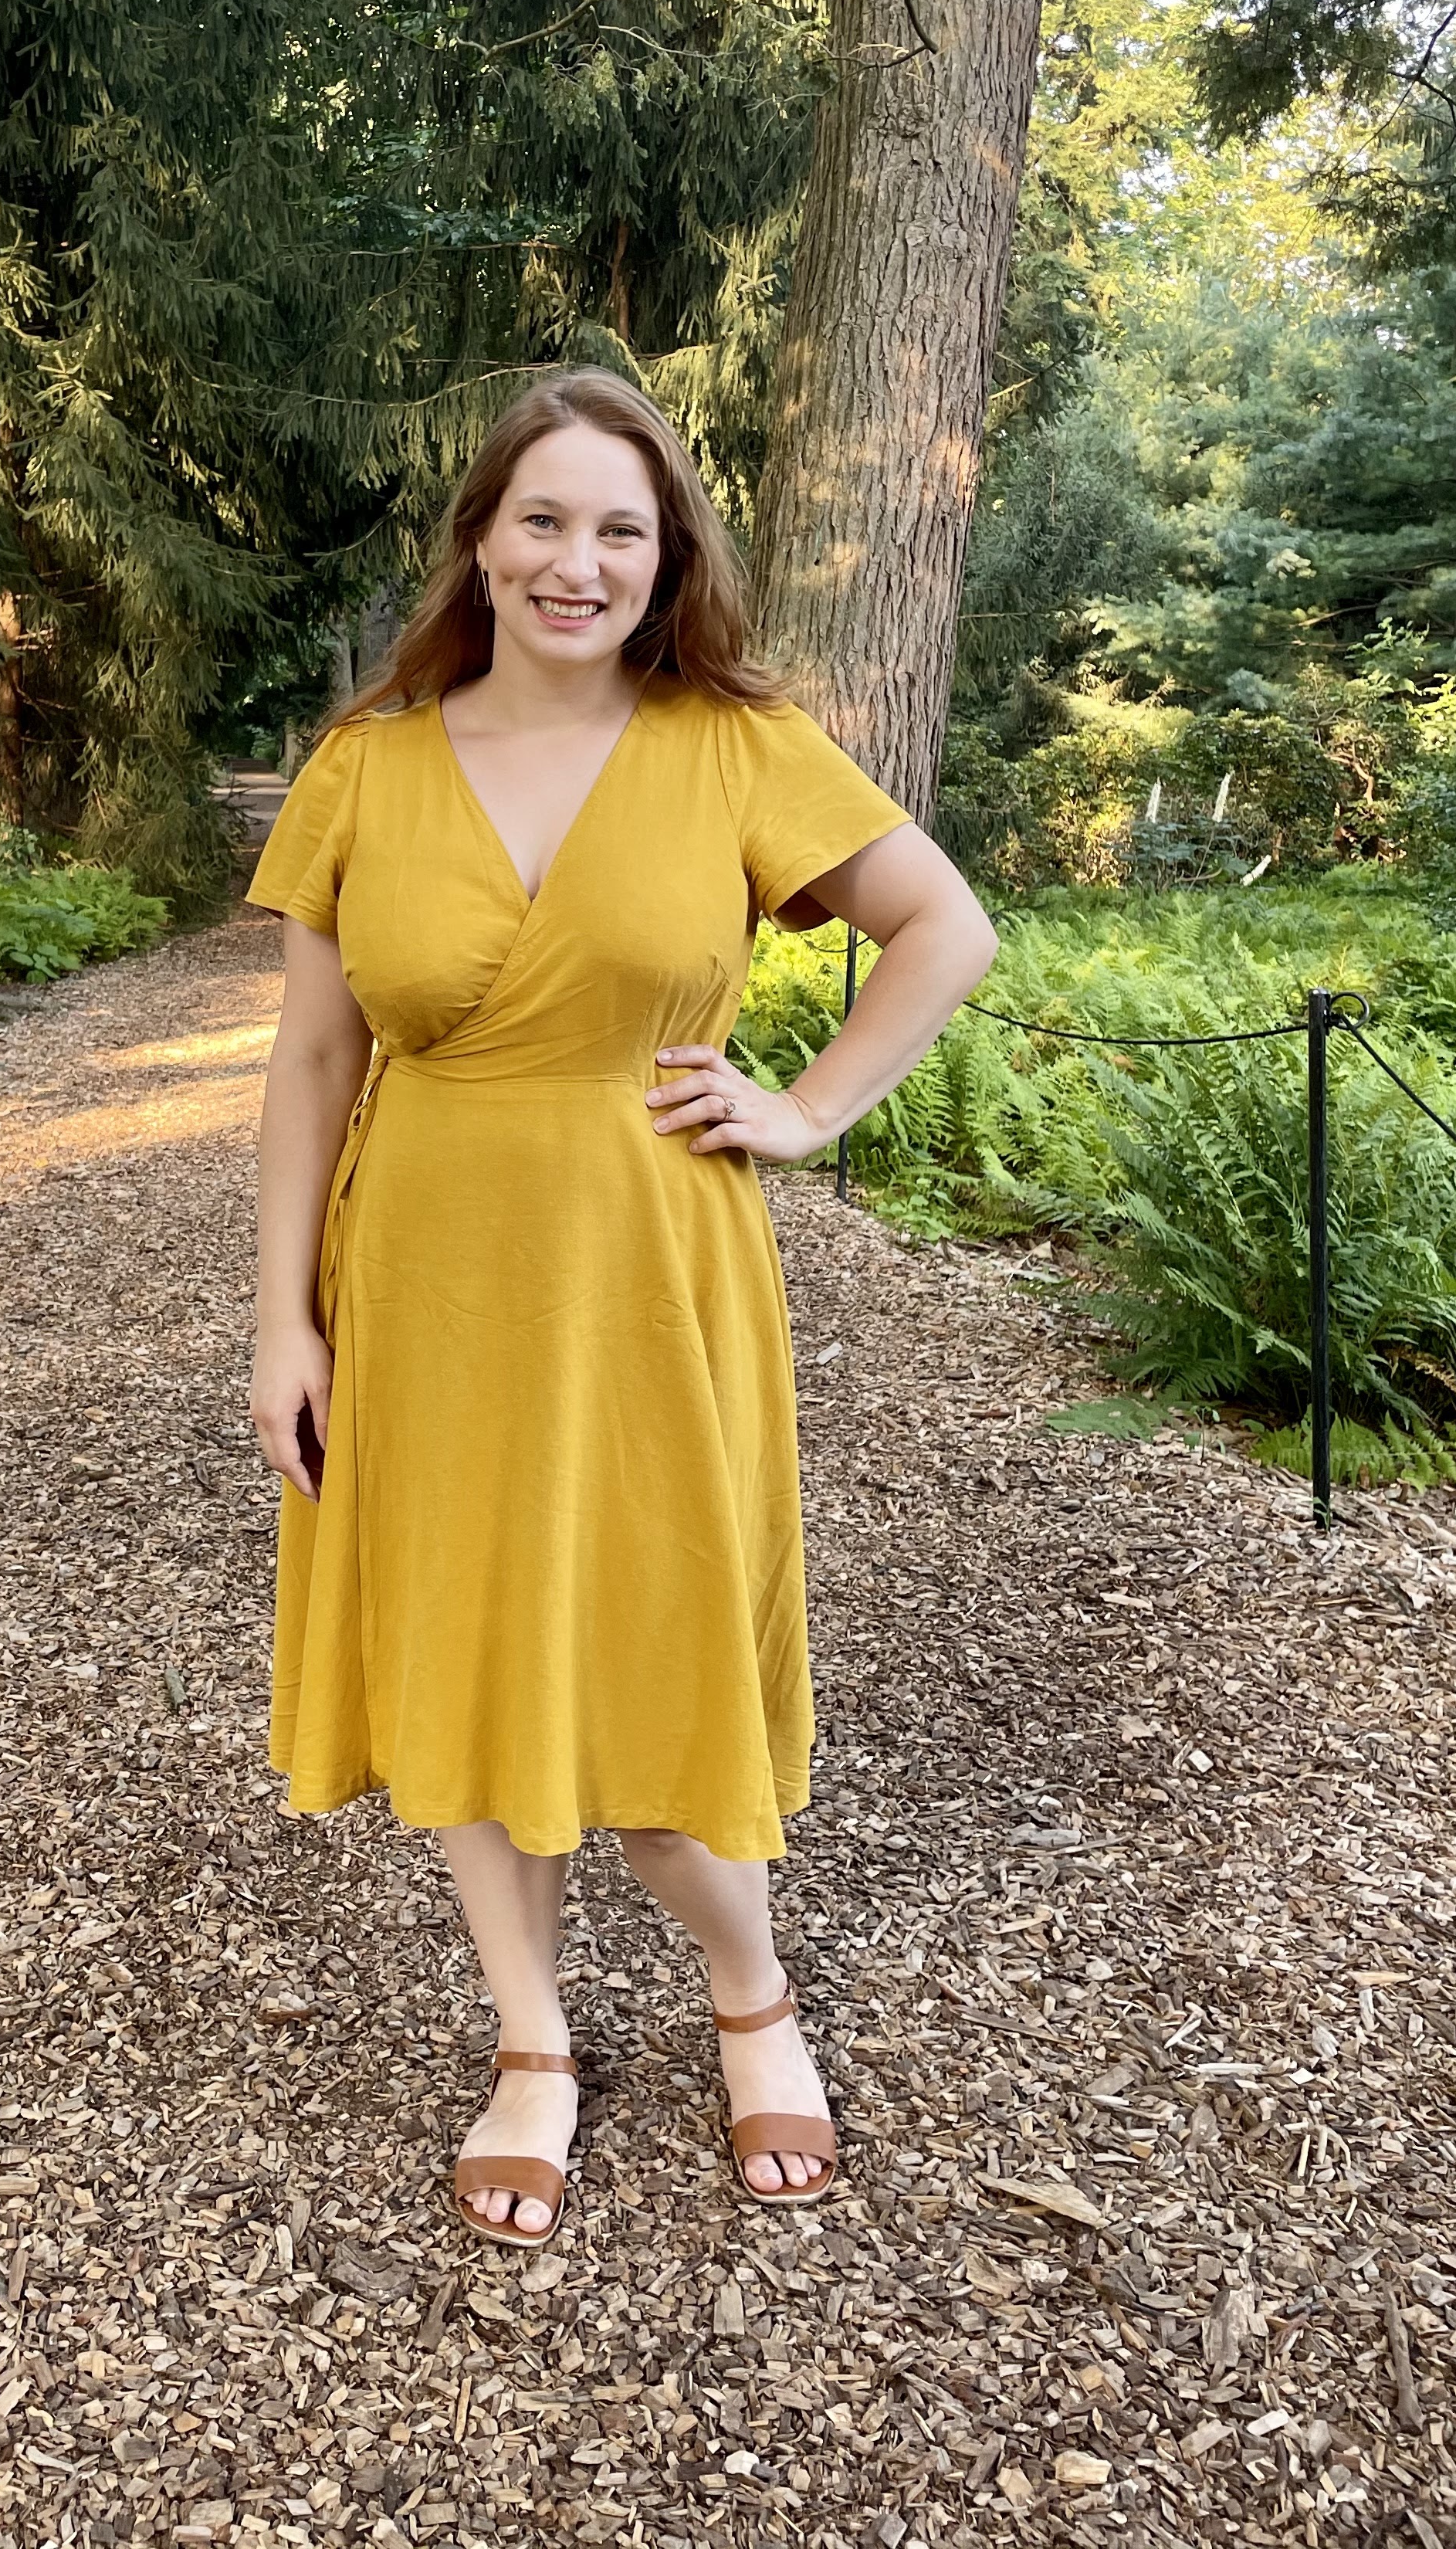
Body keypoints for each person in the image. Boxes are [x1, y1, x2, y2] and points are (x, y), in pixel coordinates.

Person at [246, 368, 997, 2242]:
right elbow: (310, 1066)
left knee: (658, 1675)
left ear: (666, 564)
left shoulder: (733, 743)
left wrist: (808, 1107)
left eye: (622, 531)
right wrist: (281, 1322)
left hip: (656, 1277)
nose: (578, 562)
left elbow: (946, 924)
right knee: (462, 1659)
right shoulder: (372, 763)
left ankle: (756, 2002)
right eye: (546, 520)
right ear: (483, 539)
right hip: (420, 1277)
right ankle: (530, 2044)